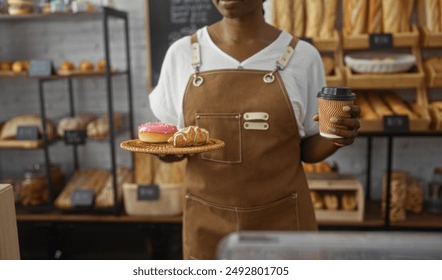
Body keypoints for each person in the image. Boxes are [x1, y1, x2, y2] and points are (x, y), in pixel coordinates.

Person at [148, 0, 360, 260]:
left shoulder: (303, 56)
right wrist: (166, 150)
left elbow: (306, 150)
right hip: (208, 225)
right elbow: (173, 141)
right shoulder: (181, 55)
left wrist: (337, 137)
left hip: (283, 225)